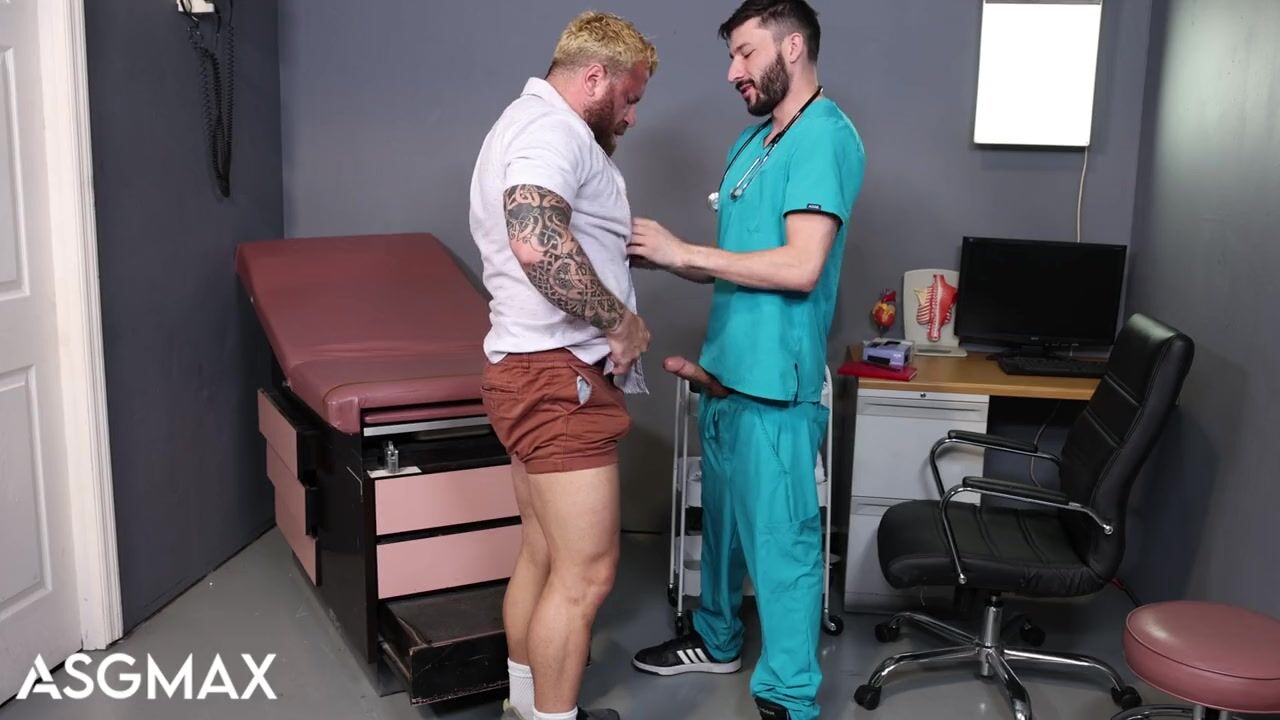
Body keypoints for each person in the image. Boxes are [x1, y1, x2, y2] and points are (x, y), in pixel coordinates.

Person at [626, 2, 865, 719]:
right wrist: (666, 258)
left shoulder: (824, 136)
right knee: (724, 535)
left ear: (792, 48)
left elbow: (800, 266)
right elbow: (736, 265)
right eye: (730, 56)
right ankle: (718, 638)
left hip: (777, 391)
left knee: (783, 552)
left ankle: (789, 697)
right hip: (725, 378)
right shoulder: (752, 142)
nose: (733, 71)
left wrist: (685, 250)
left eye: (744, 52)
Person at [468, 11, 658, 720]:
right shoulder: (552, 129)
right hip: (557, 378)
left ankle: (526, 710)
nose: (632, 117)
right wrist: (620, 320)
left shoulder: (529, 124)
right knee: (585, 577)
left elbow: (547, 231)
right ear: (595, 77)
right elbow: (535, 239)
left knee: (544, 556)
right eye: (630, 98)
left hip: (532, 370)